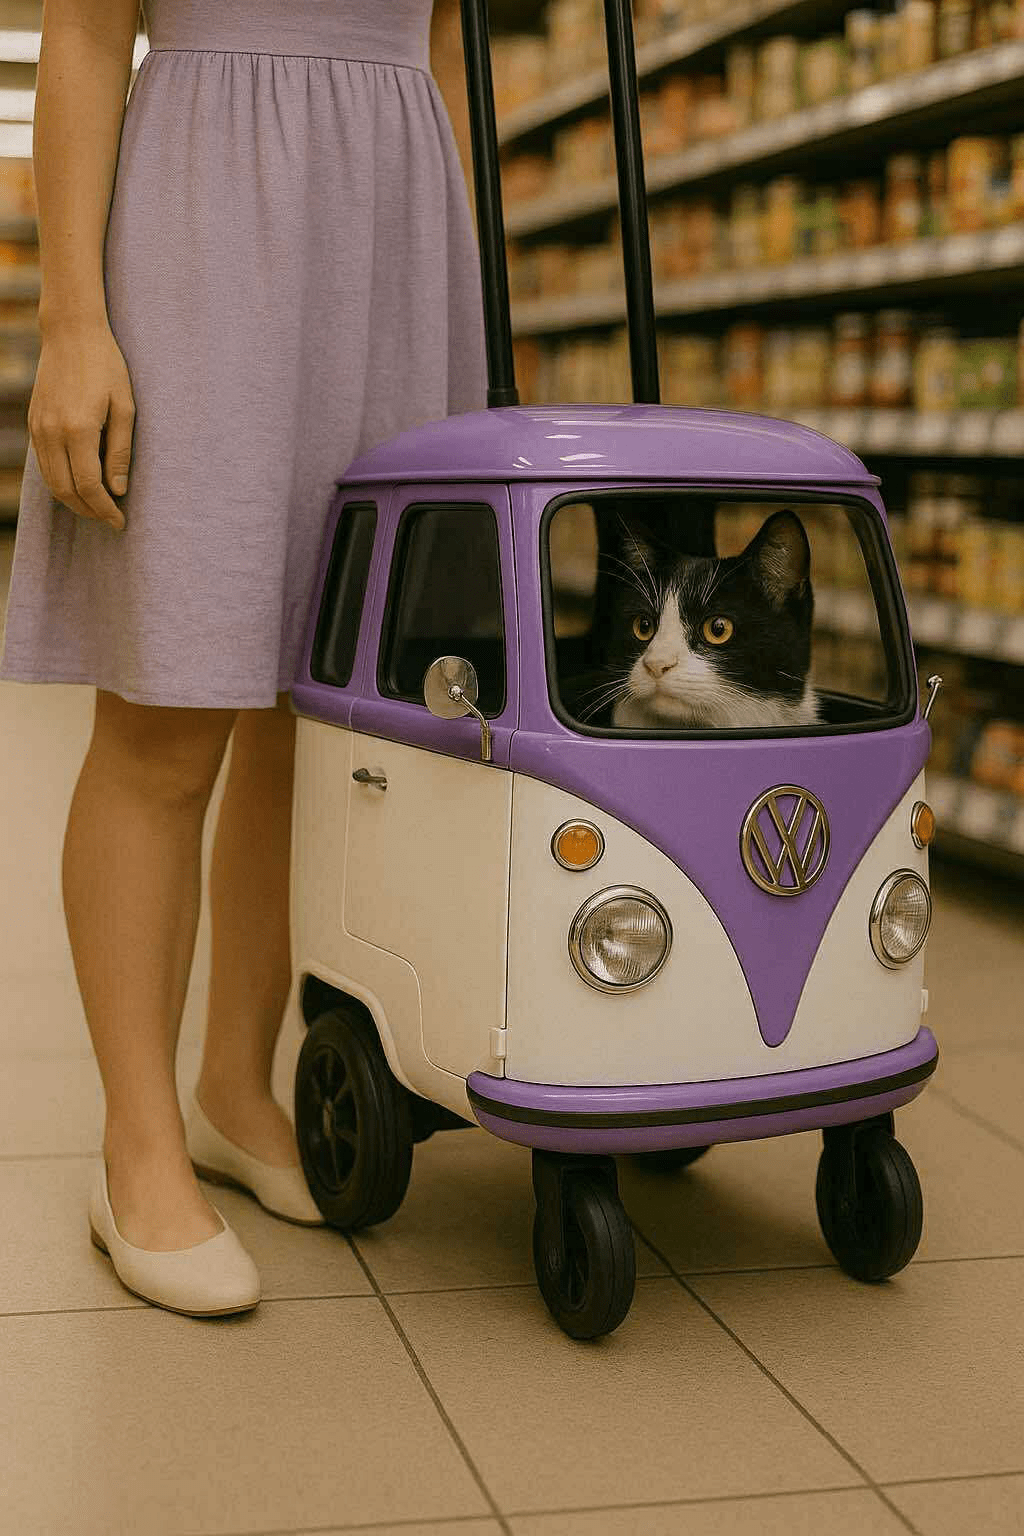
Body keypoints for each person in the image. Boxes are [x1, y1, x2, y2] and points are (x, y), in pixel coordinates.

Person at [0, 0, 486, 1316]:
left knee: (313, 718)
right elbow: (90, 35)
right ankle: (136, 1147)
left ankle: (232, 1085)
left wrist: (468, 317)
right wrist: (73, 323)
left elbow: (442, 48)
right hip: (207, 229)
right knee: (167, 710)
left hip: (395, 243)